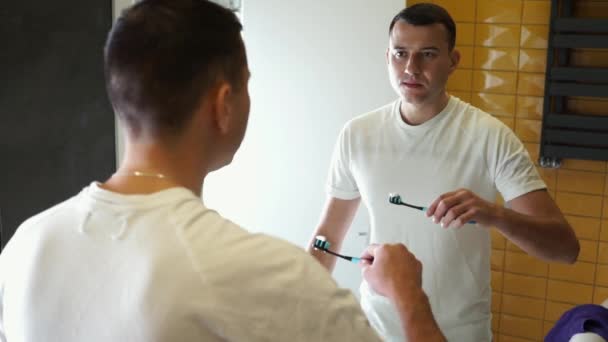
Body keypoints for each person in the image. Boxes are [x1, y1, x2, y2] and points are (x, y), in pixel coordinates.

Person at [0, 1, 446, 341]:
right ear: (224, 103)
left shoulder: (24, 247)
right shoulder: (269, 278)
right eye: (247, 83)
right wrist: (409, 294)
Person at [308, 3, 580, 341]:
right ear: (387, 57)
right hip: (374, 330)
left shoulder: (488, 136)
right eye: (400, 53)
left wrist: (495, 215)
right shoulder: (357, 134)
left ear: (453, 61)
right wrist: (299, 314)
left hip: (460, 334)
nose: (411, 67)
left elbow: (566, 249)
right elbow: (327, 237)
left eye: (428, 54)